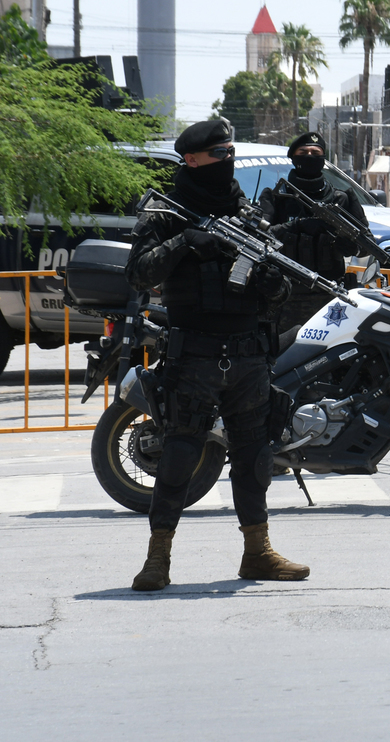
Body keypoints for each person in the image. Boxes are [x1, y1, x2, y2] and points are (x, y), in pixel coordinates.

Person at [124, 120, 309, 591]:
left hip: (248, 356)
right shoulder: (166, 213)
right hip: (193, 356)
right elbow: (139, 273)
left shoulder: (245, 214)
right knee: (179, 456)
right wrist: (185, 242)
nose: (228, 160)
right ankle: (158, 557)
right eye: (218, 154)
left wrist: (273, 285)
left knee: (255, 458)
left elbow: (279, 292)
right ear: (191, 160)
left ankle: (257, 553)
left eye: (230, 152)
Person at [258, 131, 369, 331]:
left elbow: (367, 244)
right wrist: (295, 226)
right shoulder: (276, 198)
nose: (309, 157)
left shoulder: (341, 199)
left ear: (323, 158)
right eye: (303, 152)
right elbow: (258, 237)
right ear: (293, 158)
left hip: (330, 296)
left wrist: (352, 246)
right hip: (286, 297)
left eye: (315, 153)